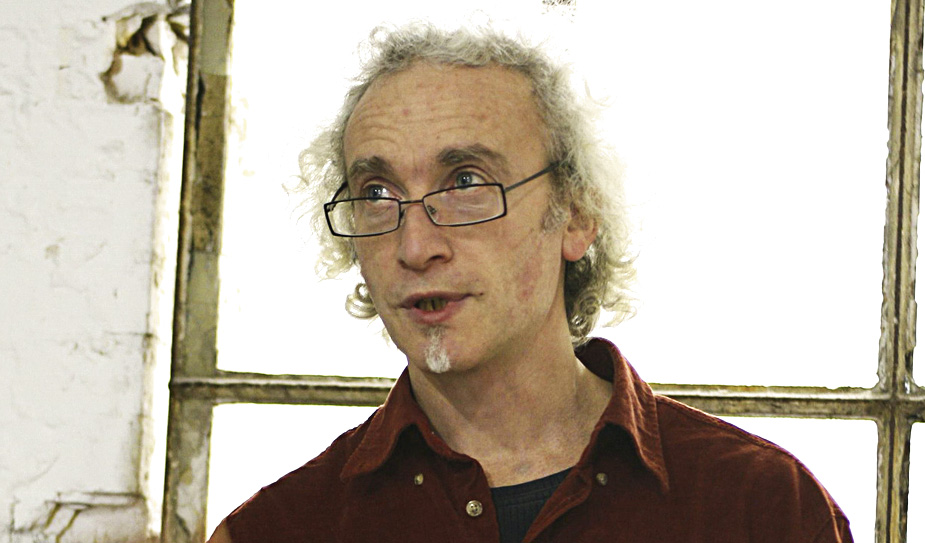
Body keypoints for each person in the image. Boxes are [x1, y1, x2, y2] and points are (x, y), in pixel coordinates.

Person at [207, 23, 853, 543]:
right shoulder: (277, 529)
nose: (415, 246)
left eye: (465, 182)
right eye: (377, 193)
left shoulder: (762, 509)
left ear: (576, 214)